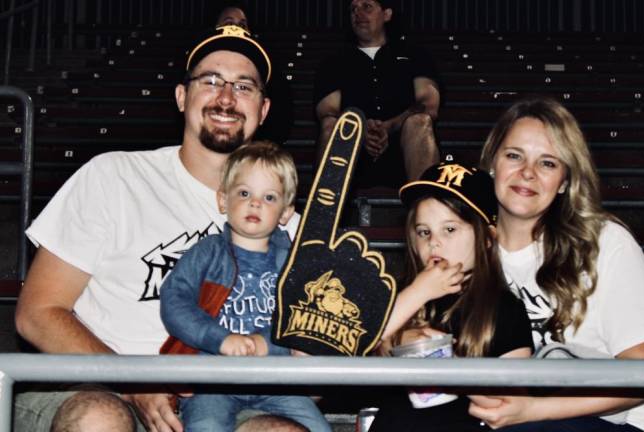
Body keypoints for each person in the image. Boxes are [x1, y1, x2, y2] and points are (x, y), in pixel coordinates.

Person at [13, 25, 305, 432]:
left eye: (243, 86)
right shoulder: (114, 175)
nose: (226, 97)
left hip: (232, 400)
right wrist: (132, 381)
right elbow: (37, 313)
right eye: (211, 81)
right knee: (100, 419)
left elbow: (306, 362)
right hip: (100, 388)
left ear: (264, 110)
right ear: (182, 96)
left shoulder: (285, 222)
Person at [469, 97, 644, 431]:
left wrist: (534, 410)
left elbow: (643, 368)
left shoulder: (604, 242)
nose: (527, 173)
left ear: (565, 181)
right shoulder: (465, 247)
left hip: (608, 422)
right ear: (492, 163)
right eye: (514, 155)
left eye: (548, 163)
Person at [159, 141, 330, 431]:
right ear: (223, 200)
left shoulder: (293, 265)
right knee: (205, 426)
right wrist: (220, 339)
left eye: (270, 197)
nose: (255, 203)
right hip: (213, 380)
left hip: (277, 383)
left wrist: (269, 343)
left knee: (318, 428)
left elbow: (304, 323)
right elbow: (174, 302)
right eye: (244, 193)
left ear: (286, 213)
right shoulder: (207, 252)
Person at [368, 161, 533, 431]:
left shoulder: (504, 307)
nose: (434, 242)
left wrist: (445, 366)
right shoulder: (400, 294)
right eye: (424, 232)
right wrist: (415, 300)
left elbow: (511, 404)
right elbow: (360, 343)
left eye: (450, 229)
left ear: (487, 238)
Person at [313, 0, 441, 190]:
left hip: (403, 148)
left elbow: (429, 103)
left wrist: (392, 125)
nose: (358, 13)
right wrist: (360, 130)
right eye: (353, 9)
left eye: (367, 6)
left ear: (387, 14)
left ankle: (425, 206)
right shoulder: (335, 61)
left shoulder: (414, 54)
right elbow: (327, 110)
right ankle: (325, 213)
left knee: (419, 122)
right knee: (332, 125)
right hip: (351, 152)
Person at [216, 2, 295, 146]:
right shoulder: (198, 65)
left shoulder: (266, 68)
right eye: (229, 23)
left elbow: (282, 117)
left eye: (242, 25)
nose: (236, 29)